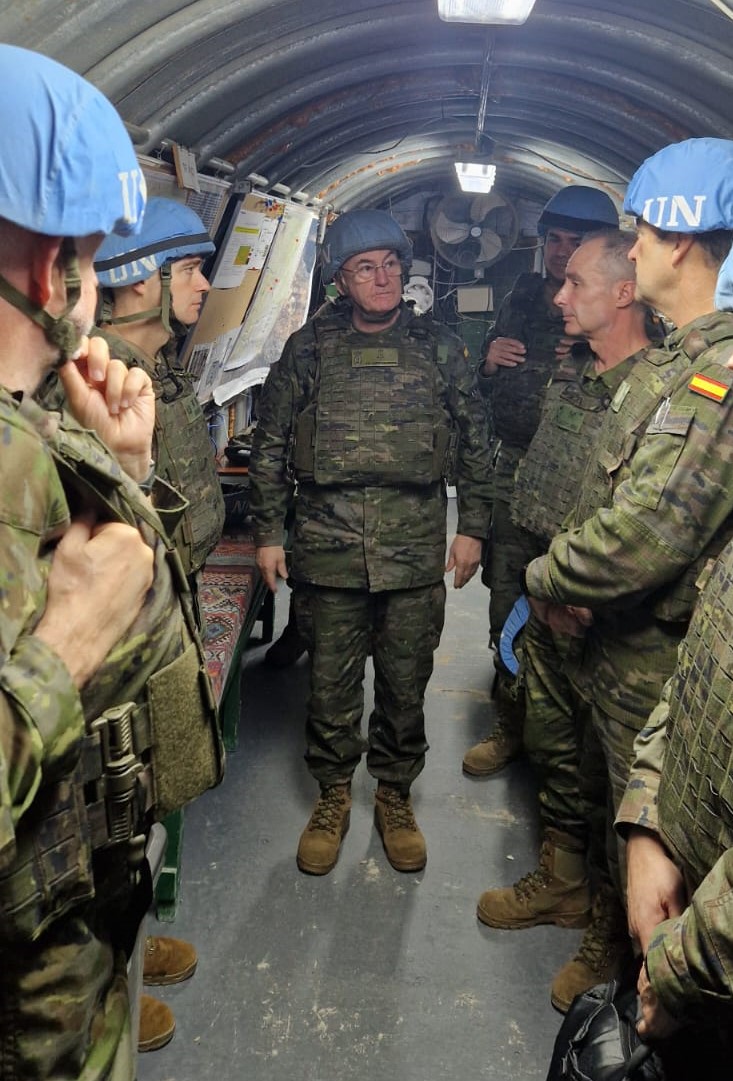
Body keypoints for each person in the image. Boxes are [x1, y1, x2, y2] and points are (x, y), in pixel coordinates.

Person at [0, 44, 222, 1080]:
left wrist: (125, 469)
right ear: (61, 271)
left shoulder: (30, 427)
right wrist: (61, 647)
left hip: (68, 925)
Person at [522, 137, 733, 976]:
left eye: (642, 232)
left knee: (651, 838)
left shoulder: (715, 374)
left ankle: (630, 971)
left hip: (660, 652)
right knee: (620, 811)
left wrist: (545, 575)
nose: (633, 246)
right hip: (619, 644)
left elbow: (647, 531)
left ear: (679, 241)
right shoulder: (679, 363)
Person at [249, 209, 493, 875]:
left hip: (412, 549)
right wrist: (269, 533)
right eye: (365, 267)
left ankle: (393, 793)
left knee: (404, 682)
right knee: (328, 684)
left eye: (391, 263)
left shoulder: (439, 346)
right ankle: (332, 795)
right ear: (340, 280)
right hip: (326, 548)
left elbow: (476, 440)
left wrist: (471, 525)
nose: (382, 277)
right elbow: (269, 444)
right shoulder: (308, 349)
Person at [39, 195, 226, 1053]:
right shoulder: (89, 380)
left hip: (156, 619)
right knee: (106, 812)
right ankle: (106, 968)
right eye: (190, 269)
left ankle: (133, 940)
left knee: (138, 810)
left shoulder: (157, 372)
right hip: (108, 647)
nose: (205, 285)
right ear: (136, 279)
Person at [476, 230, 656, 1011]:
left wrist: (586, 587)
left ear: (624, 292)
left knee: (618, 784)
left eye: (574, 282)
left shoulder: (661, 392)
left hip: (614, 622)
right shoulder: (574, 373)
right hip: (549, 591)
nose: (557, 294)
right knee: (555, 751)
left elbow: (650, 528)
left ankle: (613, 942)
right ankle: (561, 882)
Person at [463, 186, 619, 779]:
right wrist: (487, 360)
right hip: (516, 472)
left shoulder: (625, 319)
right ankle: (511, 720)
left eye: (574, 244)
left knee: (576, 618)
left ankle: (569, 743)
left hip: (580, 488)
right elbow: (486, 386)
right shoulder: (526, 293)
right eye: (553, 240)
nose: (559, 255)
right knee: (508, 602)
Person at [613, 534, 733, 1070]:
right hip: (678, 937)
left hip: (703, 971)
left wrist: (678, 972)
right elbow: (694, 674)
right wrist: (645, 829)